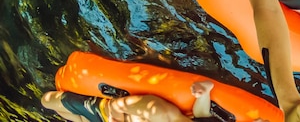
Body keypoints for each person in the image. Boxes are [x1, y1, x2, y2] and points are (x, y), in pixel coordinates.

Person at [41, 80, 254, 122]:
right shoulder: (163, 114)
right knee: (46, 101)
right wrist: (204, 91)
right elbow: (118, 107)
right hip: (107, 113)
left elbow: (202, 115)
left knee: (58, 108)